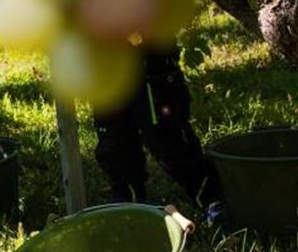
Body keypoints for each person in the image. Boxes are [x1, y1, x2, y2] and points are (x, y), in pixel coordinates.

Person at [92, 48, 224, 219]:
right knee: (115, 142)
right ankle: (128, 202)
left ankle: (210, 197)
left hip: (150, 63)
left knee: (170, 139)